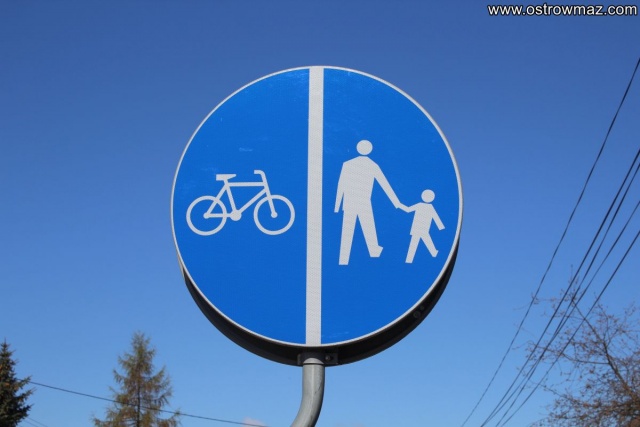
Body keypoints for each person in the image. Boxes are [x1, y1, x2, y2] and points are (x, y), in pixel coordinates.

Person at [334, 140, 402, 265]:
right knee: (368, 227)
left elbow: (341, 186)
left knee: (348, 231)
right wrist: (397, 203)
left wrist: (337, 206)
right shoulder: (372, 165)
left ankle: (343, 258)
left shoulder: (348, 164)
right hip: (363, 202)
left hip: (349, 203)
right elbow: (385, 186)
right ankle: (374, 252)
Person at [402, 189, 445, 263]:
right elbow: (436, 218)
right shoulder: (426, 206)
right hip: (420, 228)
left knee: (418, 242)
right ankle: (433, 252)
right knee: (420, 241)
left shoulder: (422, 206)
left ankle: (410, 259)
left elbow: (408, 209)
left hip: (420, 228)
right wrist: (440, 227)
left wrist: (401, 206)